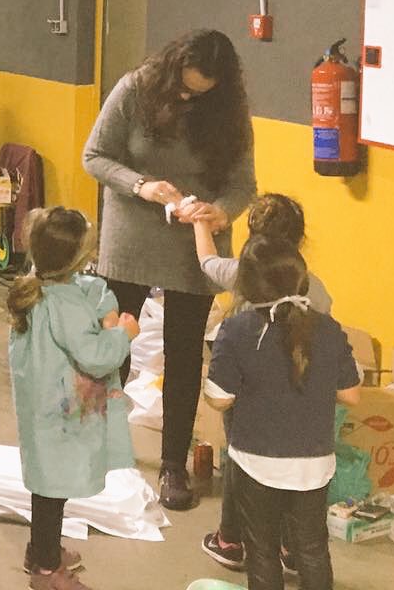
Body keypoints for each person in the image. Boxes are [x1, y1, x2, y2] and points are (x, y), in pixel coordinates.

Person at [82, 28, 257, 511]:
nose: (187, 97)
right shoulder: (135, 89)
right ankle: (99, 448)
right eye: (183, 87)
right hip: (132, 234)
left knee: (183, 356)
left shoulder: (231, 113)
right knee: (112, 347)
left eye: (200, 93)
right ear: (172, 67)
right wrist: (141, 185)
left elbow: (243, 184)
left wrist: (221, 211)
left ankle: (173, 465)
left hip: (195, 242)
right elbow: (94, 156)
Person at [204, 237, 359, 590]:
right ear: (303, 280)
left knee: (262, 550)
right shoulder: (328, 328)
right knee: (313, 549)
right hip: (314, 464)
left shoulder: (237, 329)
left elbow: (219, 399)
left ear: (245, 286)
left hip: (255, 461)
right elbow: (351, 394)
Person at [192, 195, 332, 573]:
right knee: (294, 470)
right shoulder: (315, 288)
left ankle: (231, 540)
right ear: (300, 240)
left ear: (252, 237)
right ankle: (292, 548)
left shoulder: (243, 274)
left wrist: (200, 223)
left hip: (248, 396)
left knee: (243, 465)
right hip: (299, 396)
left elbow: (207, 261)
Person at [7, 207, 139, 590]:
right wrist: (123, 333)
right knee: (53, 490)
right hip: (60, 416)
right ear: (76, 259)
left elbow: (92, 289)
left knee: (47, 483)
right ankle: (46, 571)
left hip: (42, 409)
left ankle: (40, 550)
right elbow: (96, 357)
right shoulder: (65, 305)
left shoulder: (40, 286)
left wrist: (106, 308)